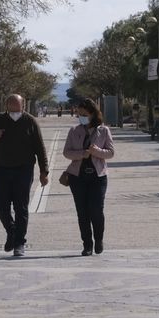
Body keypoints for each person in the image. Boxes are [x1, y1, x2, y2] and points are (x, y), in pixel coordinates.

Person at [0, 94, 49, 257]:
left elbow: (40, 147)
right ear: (6, 106)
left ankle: (19, 242)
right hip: (3, 169)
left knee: (21, 207)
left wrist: (44, 171)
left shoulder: (30, 121)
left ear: (23, 106)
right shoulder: (0, 119)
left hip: (24, 170)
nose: (14, 111)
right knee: (0, 205)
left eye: (17, 107)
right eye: (11, 107)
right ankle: (12, 231)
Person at [62, 97, 115, 255]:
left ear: (93, 114)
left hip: (98, 177)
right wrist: (82, 154)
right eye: (79, 114)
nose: (81, 117)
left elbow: (111, 153)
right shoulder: (74, 131)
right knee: (82, 211)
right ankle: (87, 244)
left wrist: (96, 151)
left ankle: (99, 239)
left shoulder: (104, 131)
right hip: (77, 177)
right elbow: (66, 152)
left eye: (84, 114)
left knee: (96, 210)